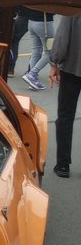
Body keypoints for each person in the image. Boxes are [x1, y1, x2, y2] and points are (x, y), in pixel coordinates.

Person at [49, 15, 81, 178]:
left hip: (72, 67)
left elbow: (62, 38)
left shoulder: (74, 3)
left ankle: (63, 164)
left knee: (65, 116)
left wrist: (55, 63)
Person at [23, 0, 54, 90]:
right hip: (45, 20)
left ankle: (32, 78)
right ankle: (32, 74)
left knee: (36, 50)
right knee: (51, 51)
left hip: (31, 19)